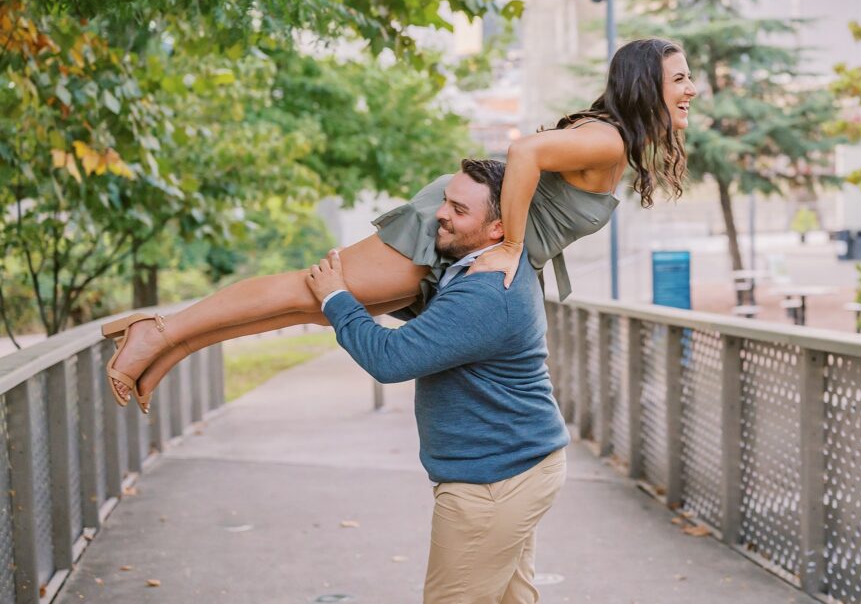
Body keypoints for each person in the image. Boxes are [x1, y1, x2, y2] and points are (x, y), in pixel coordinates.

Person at [101, 37, 697, 413]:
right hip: (463, 227)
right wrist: (512, 244)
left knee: (313, 307)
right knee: (303, 288)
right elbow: (524, 154)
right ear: (646, 86)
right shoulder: (607, 138)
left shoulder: (613, 142)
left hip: (470, 237)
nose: (691, 88)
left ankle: (168, 345)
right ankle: (161, 329)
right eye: (679, 78)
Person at [305, 158, 568, 603]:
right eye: (446, 200)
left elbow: (390, 360)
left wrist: (336, 299)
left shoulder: (488, 292)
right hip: (518, 464)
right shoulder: (478, 266)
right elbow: (438, 324)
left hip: (494, 481)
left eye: (459, 210)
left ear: (497, 230)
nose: (441, 213)